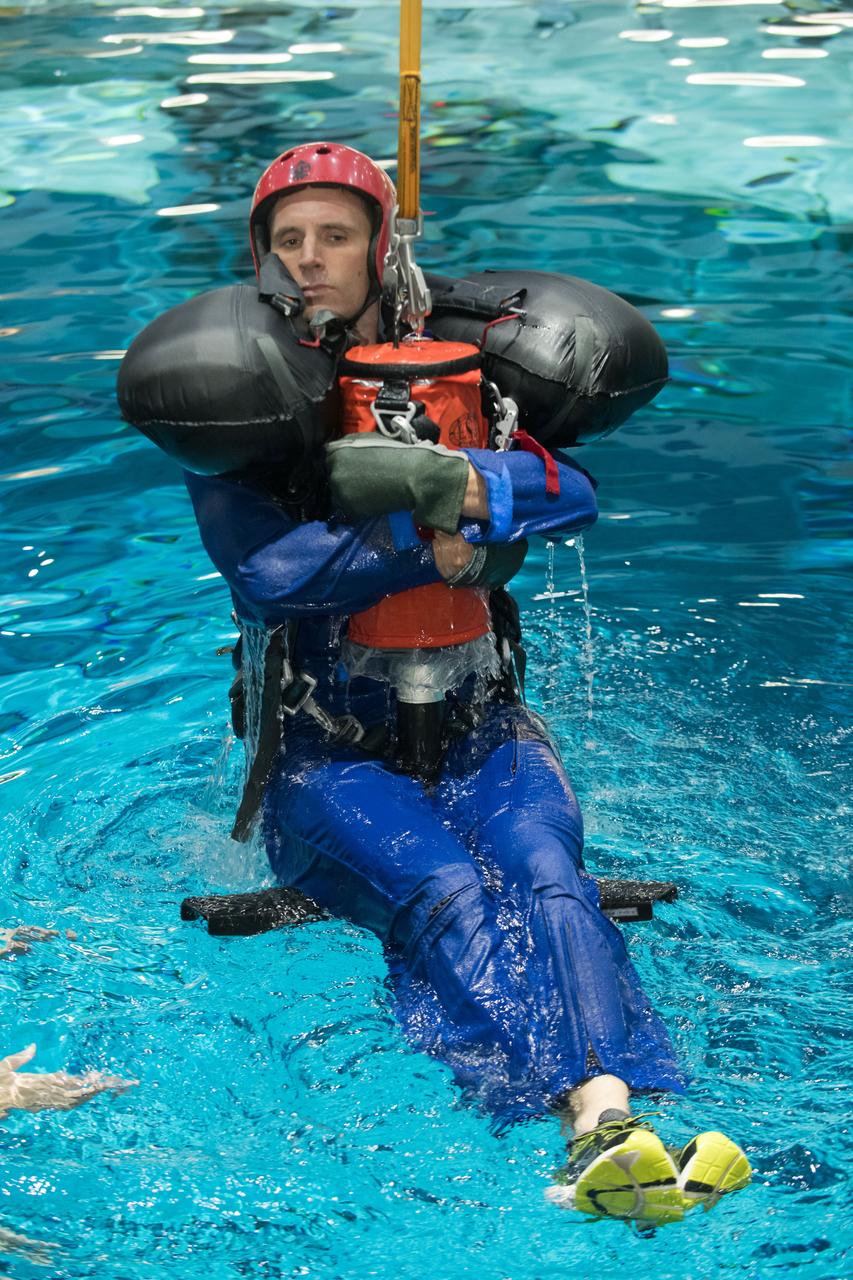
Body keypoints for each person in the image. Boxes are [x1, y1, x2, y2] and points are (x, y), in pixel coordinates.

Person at [185, 142, 751, 1226]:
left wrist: (456, 476)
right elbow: (269, 573)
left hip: (479, 718)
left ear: (376, 247)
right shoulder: (238, 396)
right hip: (327, 752)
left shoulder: (454, 371)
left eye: (335, 236)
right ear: (260, 257)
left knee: (547, 873)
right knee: (446, 887)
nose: (312, 260)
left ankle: (606, 1120)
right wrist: (436, 545)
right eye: (289, 240)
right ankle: (593, 1123)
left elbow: (569, 491)